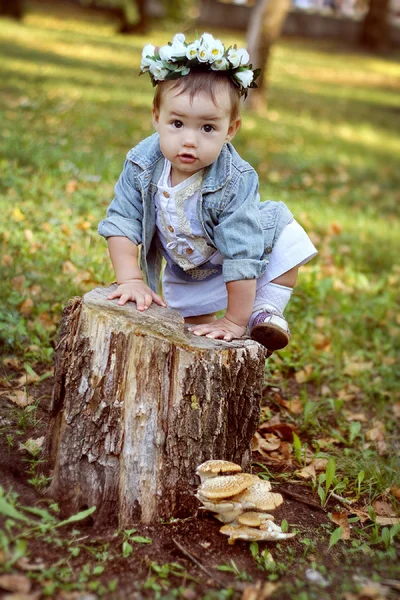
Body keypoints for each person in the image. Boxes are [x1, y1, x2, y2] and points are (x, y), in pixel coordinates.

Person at [98, 33, 317, 354]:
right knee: (196, 331)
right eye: (177, 123)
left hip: (244, 255)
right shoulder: (141, 163)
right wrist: (130, 279)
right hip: (188, 264)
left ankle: (264, 311)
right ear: (156, 118)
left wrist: (233, 320)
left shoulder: (234, 179)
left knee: (287, 240)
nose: (190, 140)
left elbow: (243, 253)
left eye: (207, 128)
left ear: (230, 130)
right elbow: (122, 222)